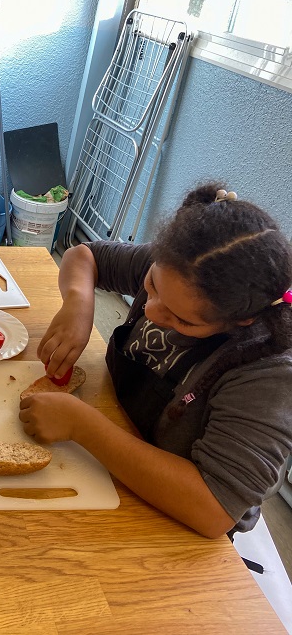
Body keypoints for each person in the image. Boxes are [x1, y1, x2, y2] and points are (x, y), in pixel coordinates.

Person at [19, 183, 292, 538]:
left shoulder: (268, 372)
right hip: (112, 446)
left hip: (175, 517)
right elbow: (83, 256)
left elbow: (213, 510)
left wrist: (83, 426)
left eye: (182, 321)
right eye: (151, 285)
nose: (150, 310)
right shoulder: (181, 267)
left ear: (242, 320)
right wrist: (78, 303)